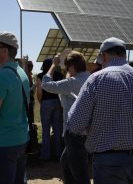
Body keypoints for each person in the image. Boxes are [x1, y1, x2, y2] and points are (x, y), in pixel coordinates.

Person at [68, 37, 133, 184]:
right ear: (123, 54)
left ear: (103, 56)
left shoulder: (96, 79)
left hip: (108, 162)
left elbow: (75, 124)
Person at [0, 32, 29, 184]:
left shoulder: (1, 76)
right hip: (21, 138)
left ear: (5, 51)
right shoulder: (21, 72)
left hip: (4, 143)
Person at [41, 51, 91, 184]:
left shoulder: (73, 82)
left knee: (80, 174)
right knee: (66, 163)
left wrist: (53, 65)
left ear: (73, 66)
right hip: (85, 131)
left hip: (75, 133)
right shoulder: (89, 78)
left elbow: (46, 84)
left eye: (67, 66)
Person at [36, 58, 63, 160]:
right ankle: (58, 153)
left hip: (46, 102)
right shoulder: (59, 75)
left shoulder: (40, 76)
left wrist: (41, 102)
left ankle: (45, 155)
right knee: (57, 129)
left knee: (45, 130)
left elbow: (39, 92)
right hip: (57, 102)